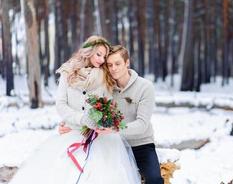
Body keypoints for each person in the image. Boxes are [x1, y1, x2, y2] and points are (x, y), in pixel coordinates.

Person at [9, 36, 141, 184]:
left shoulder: (105, 76)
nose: (102, 60)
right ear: (88, 51)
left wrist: (102, 120)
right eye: (98, 54)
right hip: (72, 131)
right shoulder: (68, 72)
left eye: (104, 56)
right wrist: (80, 119)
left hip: (100, 137)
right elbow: (61, 104)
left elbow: (108, 104)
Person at [60, 45, 164, 184]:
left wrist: (115, 130)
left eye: (117, 63)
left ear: (127, 63)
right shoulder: (105, 86)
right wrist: (69, 125)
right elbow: (87, 111)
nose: (113, 68)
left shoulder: (145, 87)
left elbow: (142, 125)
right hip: (112, 144)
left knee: (154, 179)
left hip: (140, 144)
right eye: (109, 65)